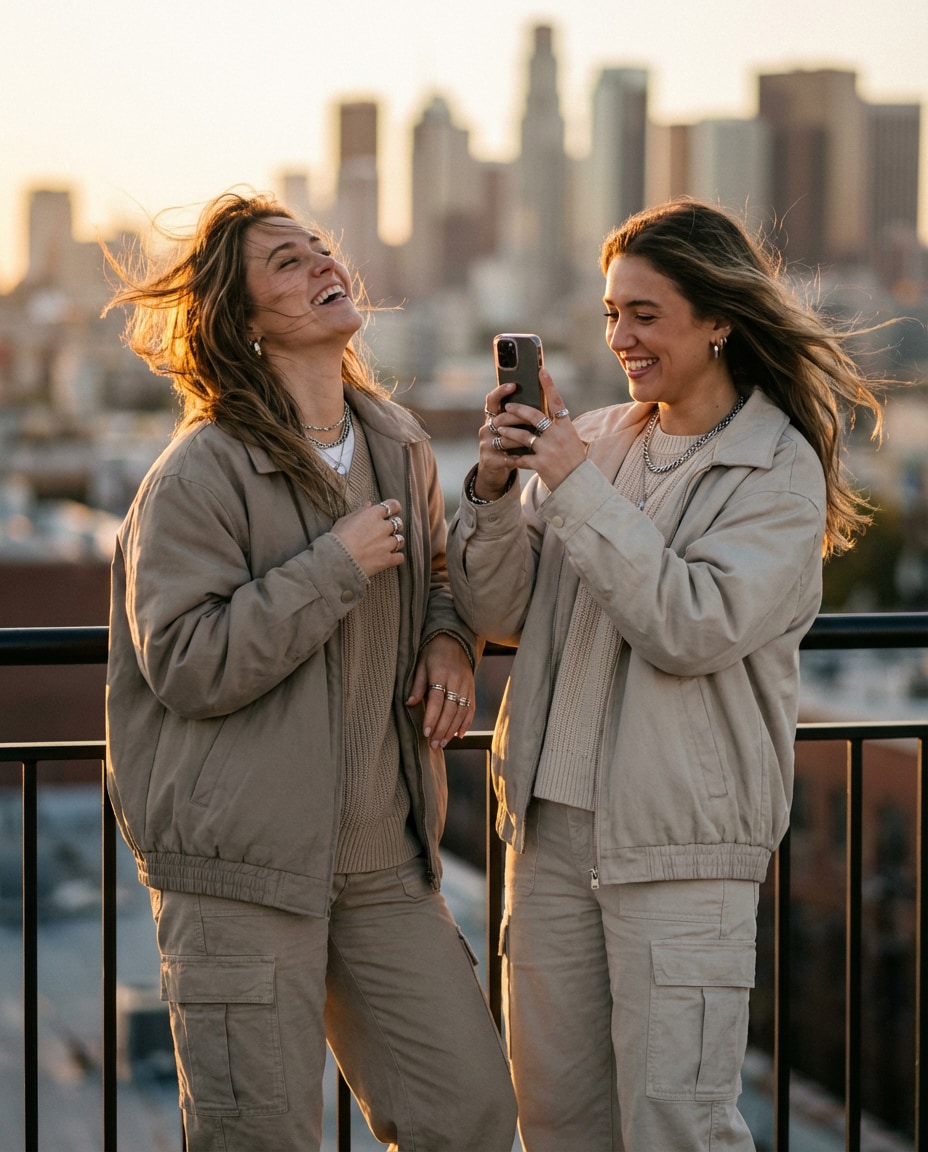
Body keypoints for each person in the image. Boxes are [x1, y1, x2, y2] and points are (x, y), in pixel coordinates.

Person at [447, 198, 886, 1152]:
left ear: (719, 317)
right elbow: (496, 613)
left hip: (680, 848)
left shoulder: (777, 469)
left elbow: (693, 624)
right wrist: (488, 494)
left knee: (676, 1127)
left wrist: (573, 486)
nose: (621, 337)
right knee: (556, 1125)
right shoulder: (596, 440)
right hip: (551, 837)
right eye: (611, 314)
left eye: (645, 313)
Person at [103, 191, 517, 1152]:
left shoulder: (397, 444)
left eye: (320, 249)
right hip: (241, 868)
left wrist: (453, 640)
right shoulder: (199, 474)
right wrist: (333, 566)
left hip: (382, 857)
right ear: (241, 320)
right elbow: (189, 663)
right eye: (285, 263)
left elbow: (441, 580)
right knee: (260, 1136)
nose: (321, 265)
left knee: (472, 1113)